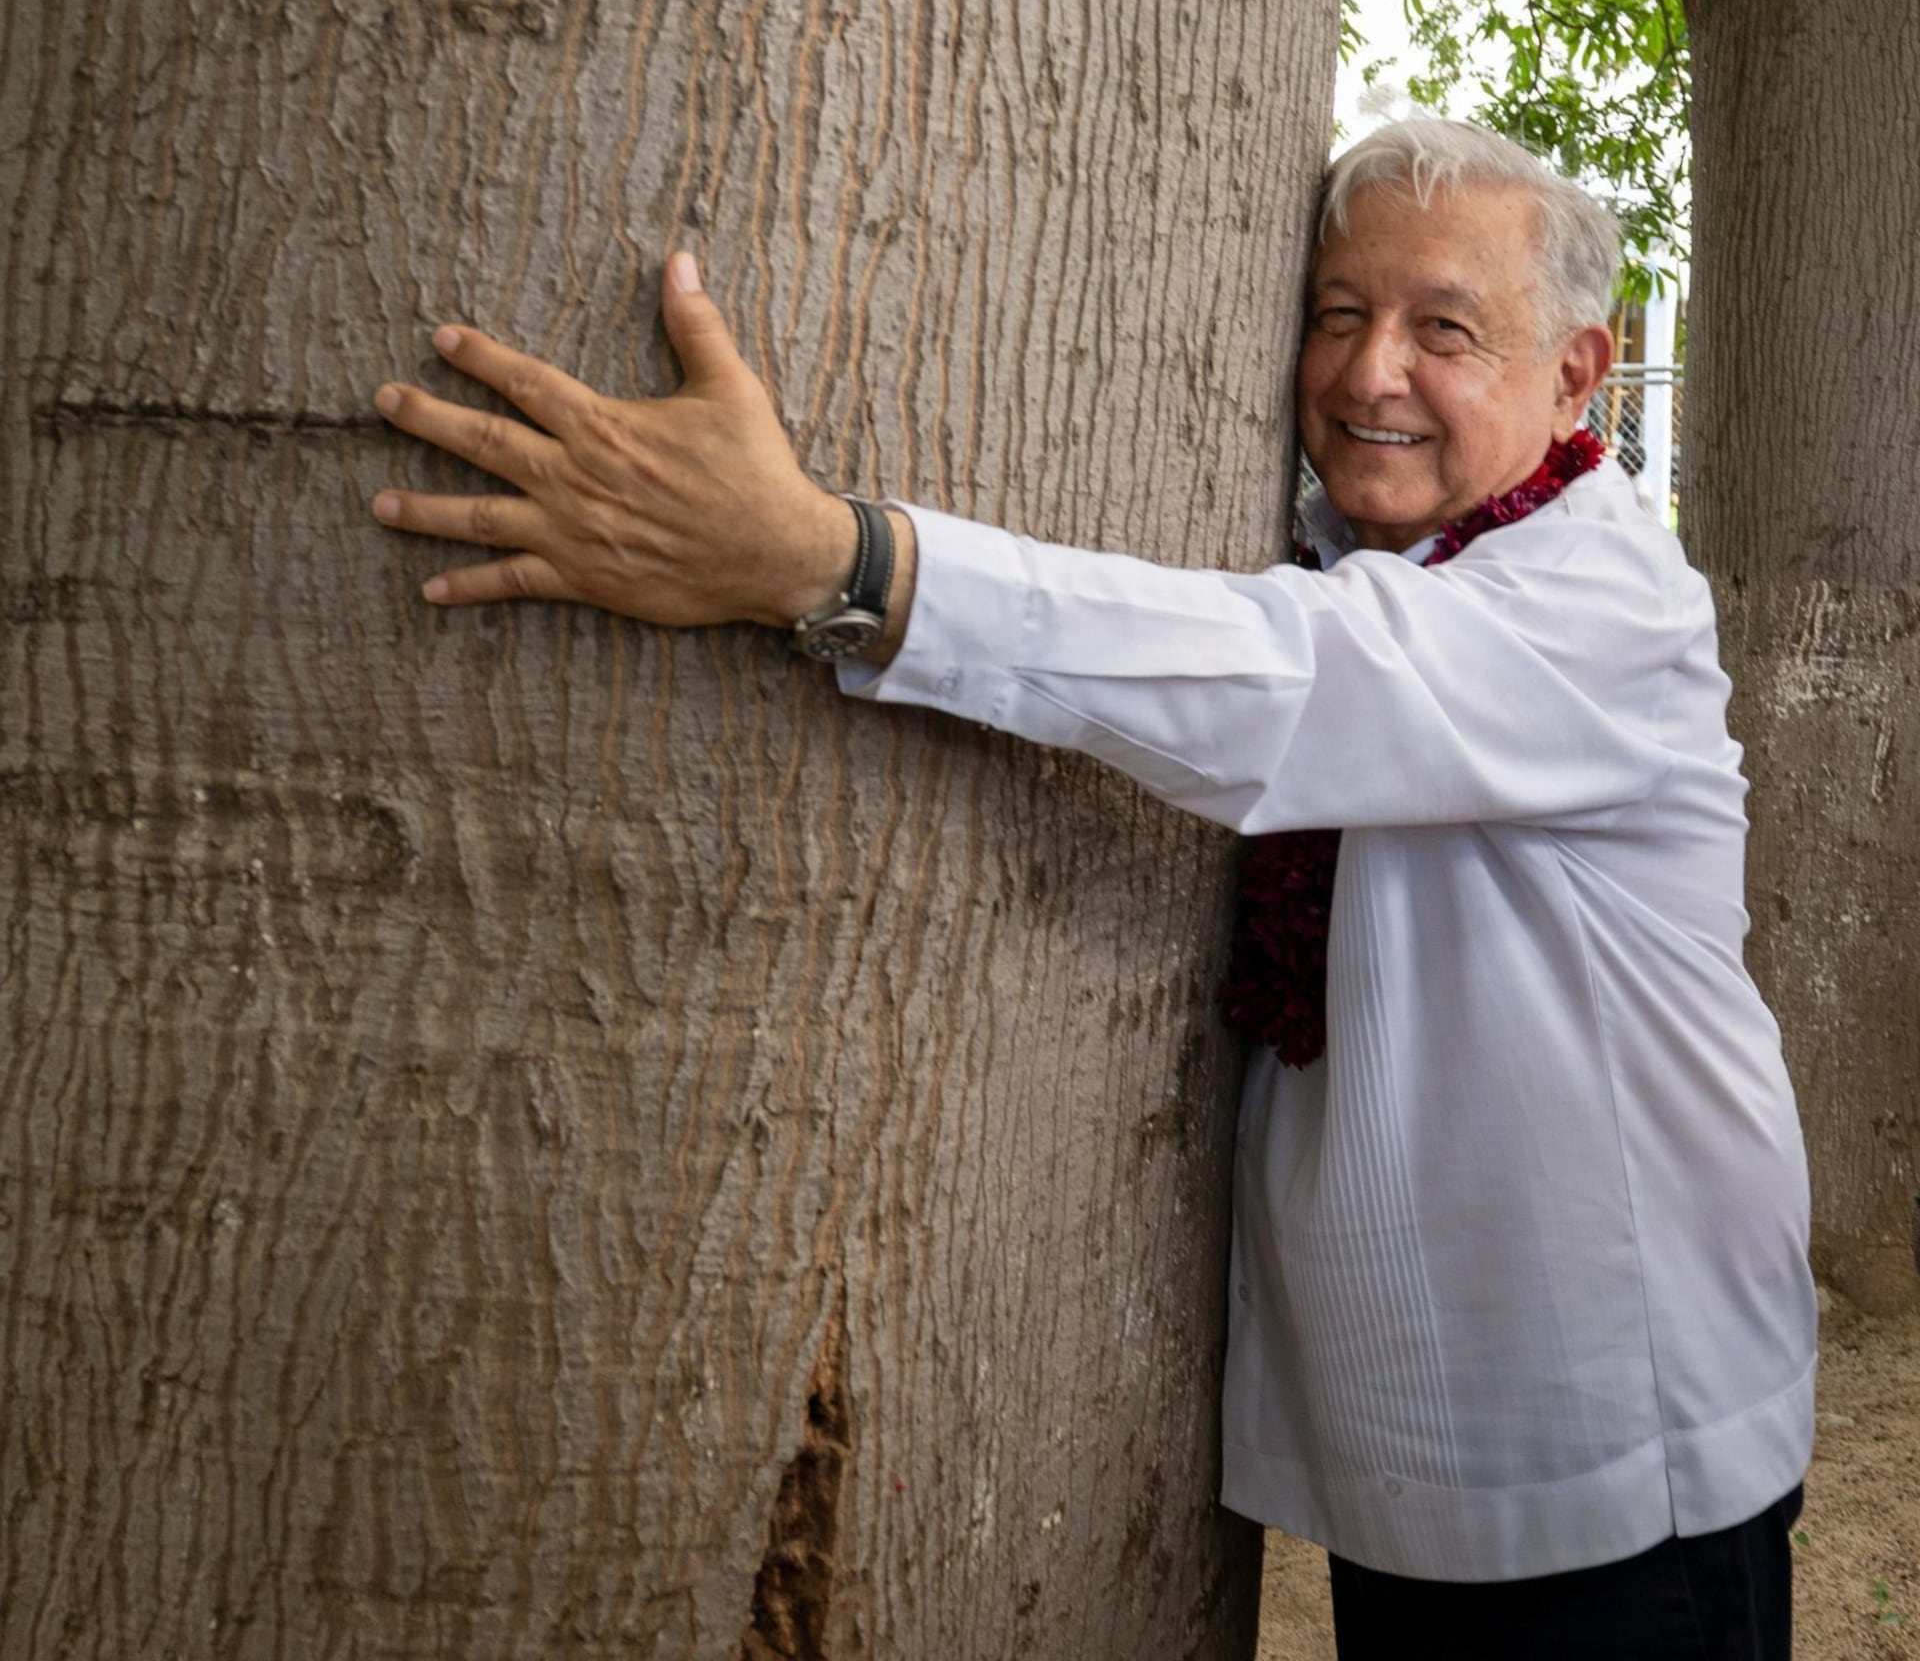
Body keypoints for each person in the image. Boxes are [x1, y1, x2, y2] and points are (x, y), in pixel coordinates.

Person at [369, 120, 1816, 1659]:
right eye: (1338, 314)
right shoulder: (1358, 552)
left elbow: (1274, 683)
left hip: (1625, 1455)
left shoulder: (1601, 606)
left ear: (1581, 375)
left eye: (1444, 330)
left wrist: (824, 559)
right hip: (1423, 1453)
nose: (1371, 373)